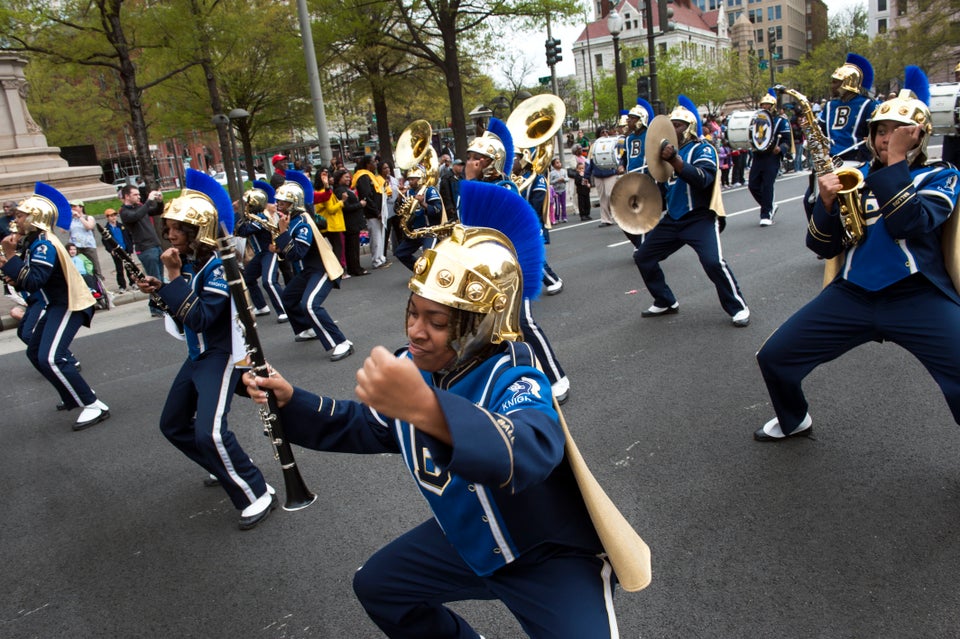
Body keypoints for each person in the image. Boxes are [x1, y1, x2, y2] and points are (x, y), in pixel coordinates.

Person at [243, 180, 620, 638]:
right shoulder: (413, 365)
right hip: (467, 541)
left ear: (482, 325)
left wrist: (430, 410)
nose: (416, 332)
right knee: (379, 586)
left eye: (438, 322)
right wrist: (291, 400)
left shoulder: (514, 373)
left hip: (545, 554)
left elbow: (530, 449)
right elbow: (365, 424)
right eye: (413, 312)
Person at [754, 66, 960, 441]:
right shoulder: (856, 175)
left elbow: (909, 224)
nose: (886, 140)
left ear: (919, 135)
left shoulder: (940, 175)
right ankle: (794, 419)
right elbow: (820, 245)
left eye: (897, 132)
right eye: (881, 131)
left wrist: (897, 163)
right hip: (853, 293)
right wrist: (827, 205)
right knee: (775, 357)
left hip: (916, 294)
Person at [135, 168, 275, 529]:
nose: (170, 235)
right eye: (170, 229)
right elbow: (186, 315)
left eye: (177, 229)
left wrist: (171, 278)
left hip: (221, 355)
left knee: (210, 432)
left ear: (198, 232)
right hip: (198, 354)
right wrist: (162, 289)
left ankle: (256, 491)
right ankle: (221, 465)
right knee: (173, 424)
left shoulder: (217, 268)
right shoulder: (197, 264)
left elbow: (201, 318)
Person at [466, 119, 571, 404]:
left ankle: (556, 376)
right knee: (486, 329)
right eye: (470, 157)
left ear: (492, 162)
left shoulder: (504, 187)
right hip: (484, 269)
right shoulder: (470, 188)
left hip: (511, 267)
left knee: (522, 321)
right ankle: (507, 381)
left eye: (478, 158)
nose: (471, 162)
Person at [633, 95, 751, 327]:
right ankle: (665, 300)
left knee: (713, 263)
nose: (673, 129)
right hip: (674, 219)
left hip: (700, 218)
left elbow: (704, 179)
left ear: (690, 128)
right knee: (643, 257)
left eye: (677, 125)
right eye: (671, 125)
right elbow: (660, 189)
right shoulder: (663, 155)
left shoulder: (702, 148)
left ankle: (738, 306)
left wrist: (676, 160)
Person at [0, 182, 109, 430]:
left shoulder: (43, 244)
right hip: (56, 304)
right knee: (35, 352)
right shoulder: (35, 241)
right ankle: (74, 393)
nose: (15, 219)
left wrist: (10, 258)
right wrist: (10, 269)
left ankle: (93, 404)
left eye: (20, 215)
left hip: (69, 304)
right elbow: (31, 277)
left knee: (50, 358)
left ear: (35, 217)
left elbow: (34, 280)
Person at [274, 170, 354, 360]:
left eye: (283, 203)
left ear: (294, 204)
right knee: (288, 297)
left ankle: (341, 342)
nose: (279, 205)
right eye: (279, 201)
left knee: (310, 304)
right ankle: (306, 328)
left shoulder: (302, 223)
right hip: (310, 269)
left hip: (323, 269)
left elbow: (296, 254)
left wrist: (283, 234)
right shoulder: (292, 220)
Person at [803, 53, 880, 217]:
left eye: (836, 82)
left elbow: (877, 132)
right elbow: (821, 129)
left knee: (864, 201)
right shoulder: (830, 105)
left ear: (847, 83)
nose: (832, 85)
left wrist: (870, 142)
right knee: (810, 201)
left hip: (857, 160)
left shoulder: (869, 104)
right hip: (830, 161)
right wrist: (812, 138)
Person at [235, 180, 288, 322]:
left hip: (269, 253)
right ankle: (261, 306)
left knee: (268, 281)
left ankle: (284, 309)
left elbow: (243, 231)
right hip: (260, 255)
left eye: (248, 204)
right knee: (248, 279)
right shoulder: (256, 218)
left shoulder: (260, 219)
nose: (245, 207)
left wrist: (235, 214)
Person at [119, 183, 165, 318]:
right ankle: (156, 307)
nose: (139, 196)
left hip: (155, 245)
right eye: (135, 194)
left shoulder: (140, 207)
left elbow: (156, 211)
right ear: (127, 196)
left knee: (160, 279)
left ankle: (161, 305)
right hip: (145, 249)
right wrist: (148, 200)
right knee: (153, 279)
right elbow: (136, 216)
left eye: (139, 194)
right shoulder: (124, 212)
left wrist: (159, 202)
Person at [748, 90, 792, 226]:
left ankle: (766, 214)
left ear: (773, 106)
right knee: (753, 185)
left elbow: (787, 141)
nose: (765, 107)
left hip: (771, 157)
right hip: (757, 156)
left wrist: (781, 148)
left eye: (768, 105)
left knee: (767, 185)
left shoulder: (780, 121)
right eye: (763, 105)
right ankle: (770, 205)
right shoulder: (756, 120)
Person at [394, 165, 443, 271]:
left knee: (428, 254)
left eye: (413, 179)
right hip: (414, 231)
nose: (410, 182)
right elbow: (397, 211)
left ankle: (432, 273)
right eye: (409, 179)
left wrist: (423, 203)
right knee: (400, 253)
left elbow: (438, 210)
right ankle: (420, 270)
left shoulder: (430, 191)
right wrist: (398, 199)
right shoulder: (408, 192)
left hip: (429, 231)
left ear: (420, 179)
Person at [352, 156, 389, 270]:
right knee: (376, 236)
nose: (375, 164)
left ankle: (380, 258)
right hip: (372, 213)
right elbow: (367, 195)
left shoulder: (369, 175)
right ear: (368, 164)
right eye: (373, 162)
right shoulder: (363, 176)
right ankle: (376, 260)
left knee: (379, 235)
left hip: (377, 212)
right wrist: (376, 211)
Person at [333, 168, 368, 277]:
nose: (348, 179)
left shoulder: (346, 189)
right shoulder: (340, 191)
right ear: (339, 178)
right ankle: (355, 268)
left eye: (349, 177)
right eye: (346, 177)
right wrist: (360, 204)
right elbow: (346, 207)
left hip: (354, 221)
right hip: (350, 222)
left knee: (353, 246)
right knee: (352, 247)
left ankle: (355, 266)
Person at [315, 167, 346, 268]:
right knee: (338, 247)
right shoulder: (323, 191)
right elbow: (331, 209)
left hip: (327, 223)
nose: (331, 178)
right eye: (328, 177)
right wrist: (342, 202)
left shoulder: (320, 191)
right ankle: (336, 269)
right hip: (331, 224)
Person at [68, 200, 103, 283]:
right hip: (76, 247)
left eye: (75, 206)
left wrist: (80, 217)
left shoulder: (88, 217)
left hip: (88, 246)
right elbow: (63, 230)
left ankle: (99, 284)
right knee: (80, 266)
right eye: (72, 207)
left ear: (81, 207)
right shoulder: (71, 220)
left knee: (94, 266)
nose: (73, 209)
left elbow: (89, 226)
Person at [102, 208, 134, 292]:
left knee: (129, 267)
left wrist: (130, 248)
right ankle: (122, 286)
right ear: (107, 218)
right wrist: (110, 250)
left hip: (125, 249)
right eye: (111, 216)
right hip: (116, 251)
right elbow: (105, 242)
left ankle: (132, 282)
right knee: (119, 269)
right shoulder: (106, 229)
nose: (113, 218)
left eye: (114, 215)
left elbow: (128, 237)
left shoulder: (121, 226)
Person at [548, 157, 568, 223]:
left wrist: (564, 179)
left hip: (563, 190)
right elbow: (550, 182)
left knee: (563, 204)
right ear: (553, 165)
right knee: (557, 205)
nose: (559, 164)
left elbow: (567, 179)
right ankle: (557, 217)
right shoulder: (552, 173)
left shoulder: (564, 171)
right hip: (556, 191)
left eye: (559, 162)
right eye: (557, 163)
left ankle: (564, 217)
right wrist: (557, 180)